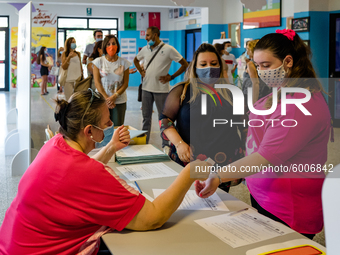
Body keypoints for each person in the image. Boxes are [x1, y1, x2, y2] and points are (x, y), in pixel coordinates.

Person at [0, 89, 210, 254]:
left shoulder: (56, 143)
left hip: (16, 245)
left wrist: (110, 148)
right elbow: (153, 217)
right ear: (89, 131)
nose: (111, 124)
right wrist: (189, 172)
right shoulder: (88, 174)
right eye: (106, 122)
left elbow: (78, 173)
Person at [195, 29, 332, 239]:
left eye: (265, 66)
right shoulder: (281, 89)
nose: (260, 71)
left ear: (288, 61)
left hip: (288, 206)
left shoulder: (299, 104)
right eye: (257, 65)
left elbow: (265, 156)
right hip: (265, 196)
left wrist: (219, 175)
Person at [159, 43, 246, 192]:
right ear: (195, 67)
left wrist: (247, 154)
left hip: (222, 164)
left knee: (217, 204)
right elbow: (166, 120)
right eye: (203, 64)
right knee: (186, 202)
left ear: (220, 66)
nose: (209, 68)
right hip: (189, 162)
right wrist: (179, 144)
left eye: (213, 64)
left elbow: (244, 126)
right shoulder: (182, 90)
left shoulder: (232, 93)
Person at [134, 26, 188, 151]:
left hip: (162, 90)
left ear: (156, 35)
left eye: (148, 35)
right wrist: (140, 71)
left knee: (163, 119)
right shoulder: (145, 49)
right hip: (146, 89)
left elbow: (184, 64)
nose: (146, 38)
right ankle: (144, 143)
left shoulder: (168, 49)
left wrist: (172, 76)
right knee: (146, 118)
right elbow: (136, 60)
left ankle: (166, 145)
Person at [93, 34, 130, 128]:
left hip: (119, 101)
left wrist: (114, 97)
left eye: (113, 43)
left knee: (117, 128)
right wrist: (107, 98)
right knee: (102, 128)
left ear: (117, 45)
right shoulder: (98, 62)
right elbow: (97, 83)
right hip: (101, 100)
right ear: (104, 46)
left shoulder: (124, 63)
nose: (111, 46)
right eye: (108, 44)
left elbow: (125, 84)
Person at [242, 39, 271, 105]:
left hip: (253, 94)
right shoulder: (263, 62)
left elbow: (255, 82)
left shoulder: (251, 64)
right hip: (262, 92)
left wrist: (254, 102)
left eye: (247, 49)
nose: (246, 51)